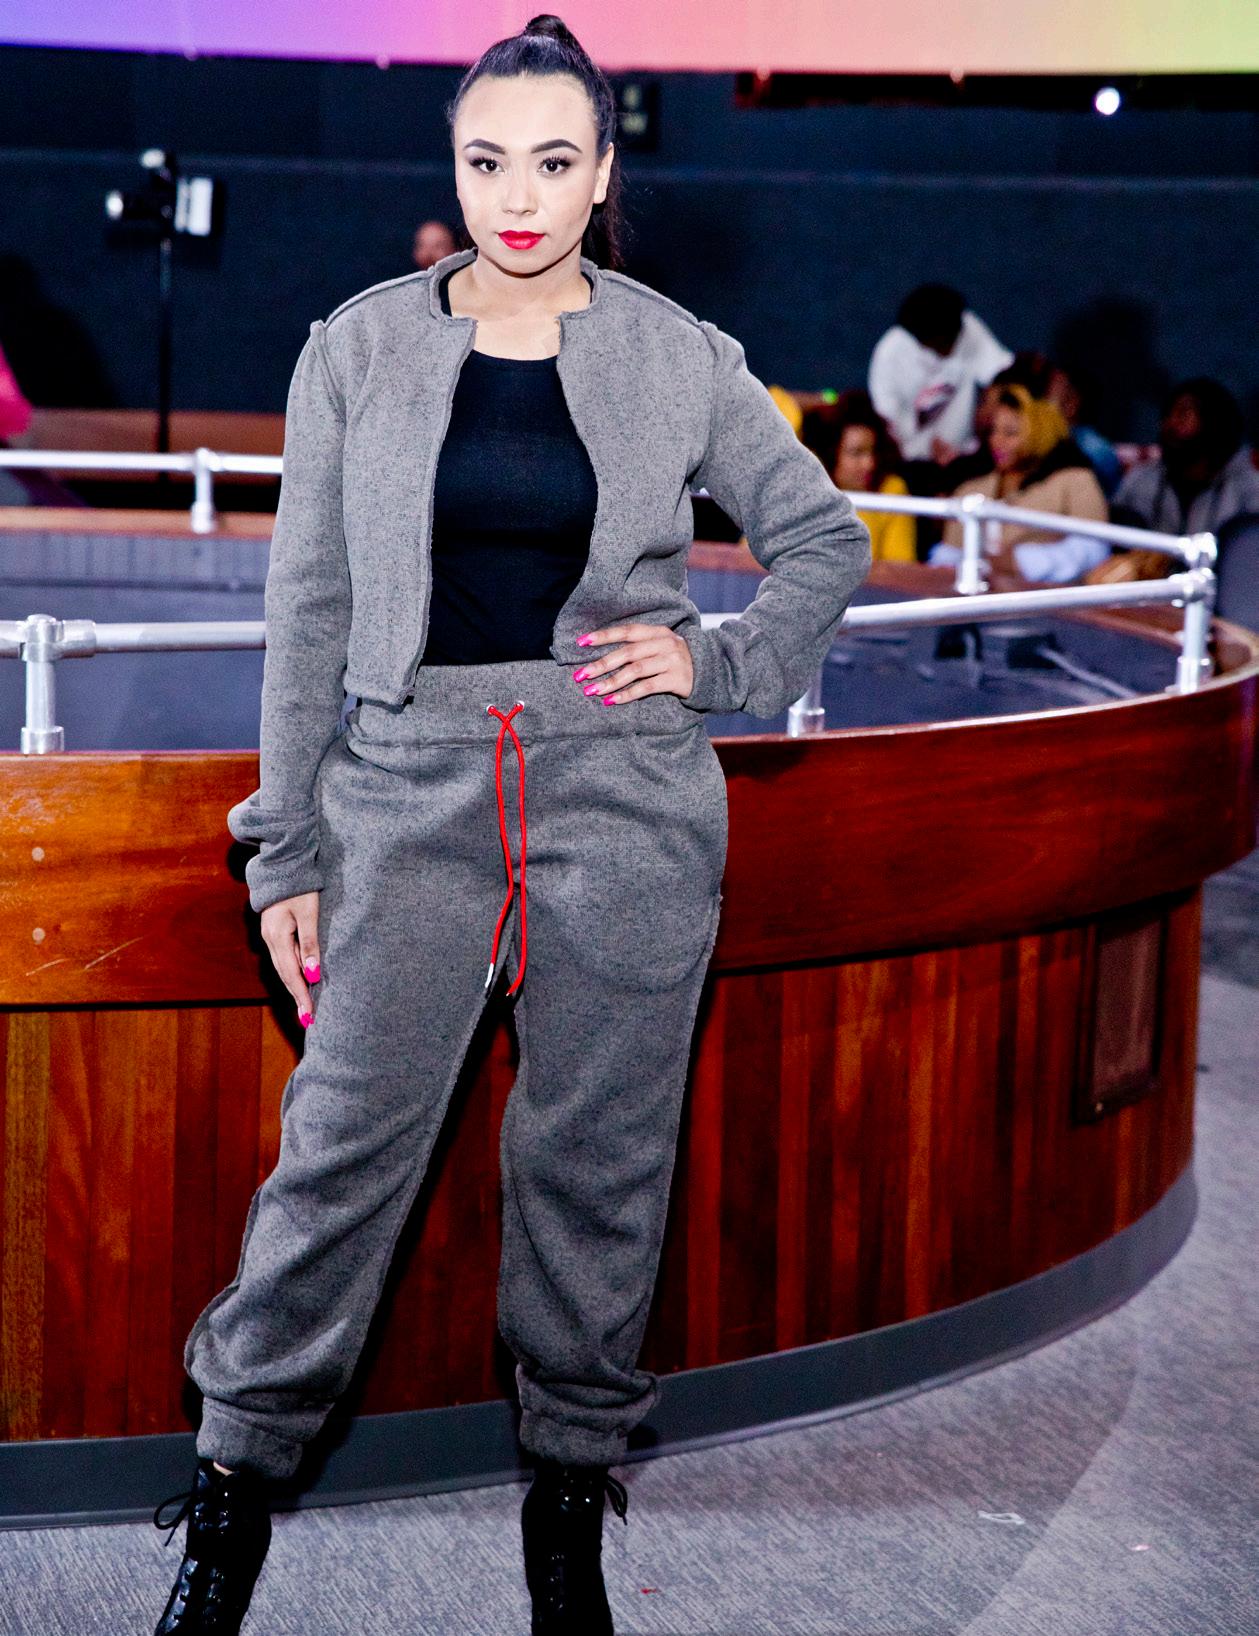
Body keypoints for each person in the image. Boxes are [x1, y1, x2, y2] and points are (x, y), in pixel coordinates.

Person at [148, 14, 871, 1636]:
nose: (518, 197)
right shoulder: (354, 348)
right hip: (403, 790)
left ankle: (567, 1505)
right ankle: (230, 1493)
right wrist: (286, 847)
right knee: (337, 1155)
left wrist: (716, 662)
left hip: (623, 794)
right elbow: (306, 617)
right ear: (453, 168)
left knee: (595, 1167)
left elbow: (822, 540)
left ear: (604, 171)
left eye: (553, 162)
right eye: (487, 162)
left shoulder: (679, 353)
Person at [933, 383, 1110, 582]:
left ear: (1040, 432)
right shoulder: (971, 489)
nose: (997, 440)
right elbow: (947, 557)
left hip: (1044, 597)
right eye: (993, 431)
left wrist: (1023, 561)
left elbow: (1093, 550)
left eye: (1010, 433)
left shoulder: (1076, 481)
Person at [867, 282, 1013, 471]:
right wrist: (926, 446)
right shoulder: (890, 353)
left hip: (964, 457)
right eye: (946, 342)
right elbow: (885, 422)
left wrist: (991, 405)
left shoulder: (966, 327)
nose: (954, 346)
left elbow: (1006, 374)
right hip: (910, 463)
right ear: (921, 340)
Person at [1110, 377, 1259, 537]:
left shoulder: (1248, 489)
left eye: (1183, 414)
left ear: (1214, 424)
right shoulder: (1141, 478)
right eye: (1168, 415)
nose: (1171, 423)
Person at [803, 391, 916, 563]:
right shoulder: (803, 489)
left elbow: (899, 569)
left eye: (873, 451)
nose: (870, 464)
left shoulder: (891, 489)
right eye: (857, 453)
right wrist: (822, 398)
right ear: (829, 455)